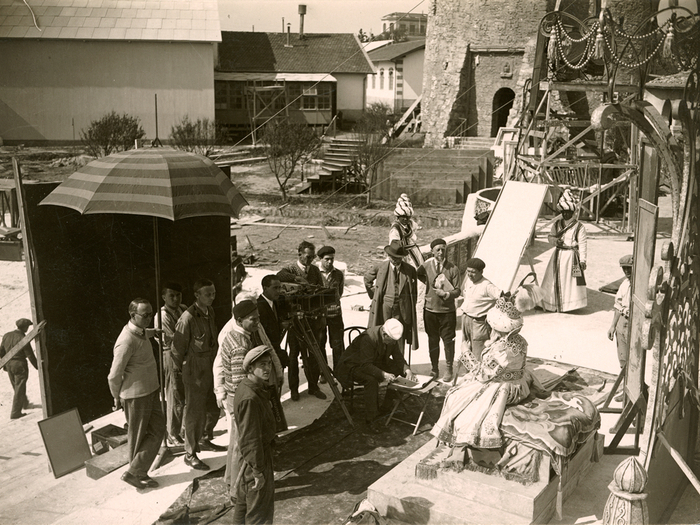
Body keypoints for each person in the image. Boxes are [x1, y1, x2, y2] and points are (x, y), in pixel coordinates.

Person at [431, 290, 541, 451]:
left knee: (456, 395)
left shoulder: (501, 350)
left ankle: (458, 441)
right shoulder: (520, 341)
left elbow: (482, 375)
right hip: (520, 382)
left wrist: (465, 353)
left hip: (504, 388)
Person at [107, 299, 165, 489]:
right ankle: (136, 473)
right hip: (136, 396)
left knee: (158, 429)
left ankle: (136, 470)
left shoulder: (139, 332)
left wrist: (154, 332)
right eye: (145, 315)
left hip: (150, 391)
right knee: (138, 436)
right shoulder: (125, 341)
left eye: (151, 314)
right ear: (133, 316)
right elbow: (114, 375)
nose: (150, 318)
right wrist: (116, 397)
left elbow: (142, 334)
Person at [172, 278, 225, 471]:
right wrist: (186, 370)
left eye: (213, 293)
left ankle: (204, 437)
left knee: (213, 407)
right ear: (196, 295)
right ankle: (190, 453)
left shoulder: (210, 311)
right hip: (195, 370)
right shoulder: (187, 318)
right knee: (194, 413)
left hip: (210, 365)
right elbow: (177, 350)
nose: (212, 297)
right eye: (207, 294)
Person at [213, 300, 262, 502]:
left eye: (258, 318)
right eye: (253, 319)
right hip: (239, 400)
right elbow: (238, 384)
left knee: (235, 443)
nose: (257, 322)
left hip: (236, 398)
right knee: (243, 446)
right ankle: (236, 492)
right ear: (240, 320)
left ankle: (230, 481)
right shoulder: (240, 346)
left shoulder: (237, 335)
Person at [335, 319, 416, 434]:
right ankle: (371, 418)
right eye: (392, 341)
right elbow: (365, 365)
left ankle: (387, 406)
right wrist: (383, 374)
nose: (393, 343)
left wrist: (407, 370)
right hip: (352, 366)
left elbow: (398, 357)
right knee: (371, 380)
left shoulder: (390, 337)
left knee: (398, 369)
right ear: (384, 334)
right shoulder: (368, 339)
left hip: (373, 361)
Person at [277, 240, 328, 401]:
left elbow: (320, 289)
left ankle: (313, 386)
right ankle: (294, 389)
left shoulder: (314, 270)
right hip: (295, 322)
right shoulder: (291, 269)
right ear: (299, 254)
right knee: (294, 356)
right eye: (307, 256)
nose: (310, 260)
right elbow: (278, 276)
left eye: (313, 257)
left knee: (313, 355)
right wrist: (297, 279)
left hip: (311, 320)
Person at [233, 345, 277, 524]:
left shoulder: (248, 386)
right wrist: (258, 471)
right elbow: (251, 439)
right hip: (256, 461)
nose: (267, 368)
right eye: (262, 364)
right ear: (250, 368)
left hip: (249, 460)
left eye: (269, 363)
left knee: (243, 505)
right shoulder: (250, 398)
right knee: (259, 514)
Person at [417, 239, 462, 382]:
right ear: (432, 251)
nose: (441, 252)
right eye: (438, 250)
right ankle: (434, 368)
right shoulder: (425, 267)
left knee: (448, 341)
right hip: (430, 310)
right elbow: (419, 275)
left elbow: (458, 290)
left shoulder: (453, 269)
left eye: (443, 249)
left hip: (447, 312)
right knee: (432, 340)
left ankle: (449, 368)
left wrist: (447, 294)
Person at [364, 240, 419, 354]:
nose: (394, 260)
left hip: (402, 309)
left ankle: (400, 365)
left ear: (402, 257)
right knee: (383, 333)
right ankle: (383, 363)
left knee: (398, 334)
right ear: (388, 255)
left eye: (398, 257)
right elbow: (367, 279)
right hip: (385, 307)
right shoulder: (380, 267)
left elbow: (414, 292)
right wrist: (376, 295)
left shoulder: (409, 270)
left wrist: (409, 306)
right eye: (392, 257)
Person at [541, 188, 588, 312]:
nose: (566, 214)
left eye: (568, 212)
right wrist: (556, 241)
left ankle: (570, 305)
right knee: (553, 279)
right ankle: (551, 303)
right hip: (558, 255)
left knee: (571, 282)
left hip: (572, 257)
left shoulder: (579, 227)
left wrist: (583, 260)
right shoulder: (557, 224)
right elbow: (550, 237)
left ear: (573, 212)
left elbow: (583, 244)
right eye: (564, 212)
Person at [157, 282, 187, 445]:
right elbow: (175, 339)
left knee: (184, 394)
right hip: (171, 355)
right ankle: (172, 433)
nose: (175, 299)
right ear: (163, 297)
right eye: (171, 296)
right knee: (175, 395)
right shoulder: (162, 316)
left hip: (184, 354)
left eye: (178, 295)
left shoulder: (182, 308)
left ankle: (182, 428)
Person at [460, 257, 501, 362]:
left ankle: (478, 375)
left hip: (479, 323)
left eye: (473, 272)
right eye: (468, 271)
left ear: (481, 272)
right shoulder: (469, 282)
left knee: (478, 351)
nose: (469, 274)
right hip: (466, 320)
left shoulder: (487, 286)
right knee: (466, 348)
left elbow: (503, 298)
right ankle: (468, 373)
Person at [0, 318, 38, 420]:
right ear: (25, 327)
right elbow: (29, 354)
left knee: (16, 386)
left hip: (9, 365)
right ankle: (15, 412)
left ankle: (24, 403)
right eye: (27, 327)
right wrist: (38, 366)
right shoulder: (22, 337)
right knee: (20, 387)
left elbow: (1, 352)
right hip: (19, 365)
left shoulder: (7, 335)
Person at [316, 245, 345, 372]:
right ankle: (324, 371)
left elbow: (340, 292)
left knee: (337, 343)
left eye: (332, 259)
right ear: (320, 259)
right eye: (327, 259)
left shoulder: (338, 274)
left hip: (335, 314)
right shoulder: (315, 273)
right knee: (320, 342)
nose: (330, 262)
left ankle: (339, 370)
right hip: (319, 314)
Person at [608, 254, 633, 401]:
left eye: (629, 268)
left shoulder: (640, 285)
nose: (626, 272)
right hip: (621, 323)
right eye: (624, 269)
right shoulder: (624, 285)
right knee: (623, 359)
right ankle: (626, 391)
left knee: (634, 361)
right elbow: (617, 306)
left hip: (632, 323)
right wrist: (612, 326)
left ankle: (635, 391)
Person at [256, 275, 290, 372]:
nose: (278, 291)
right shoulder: (259, 306)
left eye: (280, 287)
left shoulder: (275, 302)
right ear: (265, 288)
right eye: (275, 288)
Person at [389, 193, 424, 268]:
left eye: (407, 217)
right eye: (403, 217)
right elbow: (394, 245)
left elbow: (414, 231)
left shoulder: (410, 224)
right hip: (402, 254)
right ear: (398, 217)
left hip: (413, 252)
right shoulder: (396, 228)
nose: (405, 219)